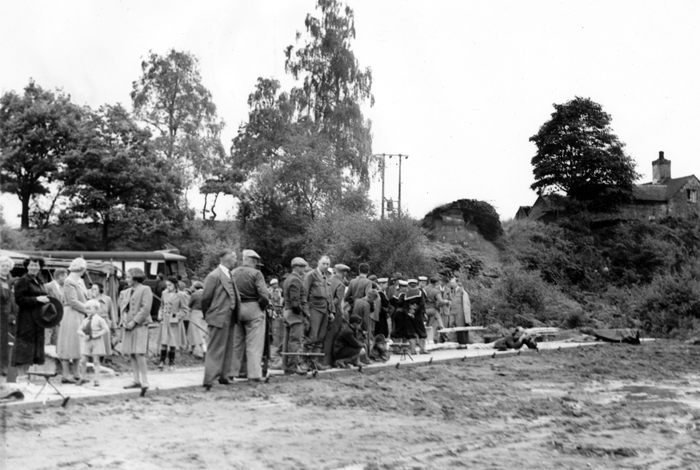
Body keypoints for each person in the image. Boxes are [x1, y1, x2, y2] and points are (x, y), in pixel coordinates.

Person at [201, 250, 241, 389]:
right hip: (218, 316)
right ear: (227, 259)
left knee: (228, 347)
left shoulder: (229, 274)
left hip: (230, 316)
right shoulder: (214, 276)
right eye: (234, 258)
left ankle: (224, 376)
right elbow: (205, 298)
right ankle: (209, 379)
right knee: (215, 349)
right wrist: (209, 314)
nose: (236, 260)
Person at [231, 250, 270, 382]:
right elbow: (264, 295)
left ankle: (234, 371)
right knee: (254, 344)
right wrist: (262, 307)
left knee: (237, 343)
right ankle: (253, 374)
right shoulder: (256, 273)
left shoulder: (233, 273)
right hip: (253, 307)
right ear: (253, 260)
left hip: (237, 308)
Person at [13, 257, 51, 379]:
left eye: (36, 265)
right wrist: (36, 299)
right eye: (32, 265)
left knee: (33, 350)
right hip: (26, 320)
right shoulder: (23, 281)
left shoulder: (39, 281)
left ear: (40, 267)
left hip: (38, 320)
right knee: (24, 349)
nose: (34, 267)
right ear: (27, 266)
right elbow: (19, 300)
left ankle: (25, 379)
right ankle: (21, 378)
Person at [120, 267, 153, 394]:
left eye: (128, 277)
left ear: (135, 277)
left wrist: (134, 321)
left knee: (139, 353)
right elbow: (123, 308)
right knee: (131, 353)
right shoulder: (126, 291)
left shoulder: (145, 289)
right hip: (128, 325)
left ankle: (144, 381)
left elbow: (145, 308)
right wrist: (124, 321)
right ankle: (136, 380)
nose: (126, 279)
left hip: (139, 325)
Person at [56, 258, 90, 383]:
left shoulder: (79, 281)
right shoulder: (69, 281)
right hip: (71, 314)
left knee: (77, 343)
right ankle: (65, 375)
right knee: (68, 342)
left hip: (79, 314)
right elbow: (72, 301)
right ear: (81, 269)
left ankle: (77, 374)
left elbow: (83, 298)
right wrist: (88, 309)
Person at [303, 255, 334, 369]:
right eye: (323, 263)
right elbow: (304, 294)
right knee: (312, 337)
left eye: (328, 264)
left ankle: (315, 362)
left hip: (325, 310)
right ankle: (305, 362)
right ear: (318, 263)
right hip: (314, 309)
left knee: (320, 337)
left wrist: (331, 311)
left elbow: (328, 296)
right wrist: (306, 312)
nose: (325, 266)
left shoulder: (326, 277)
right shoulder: (311, 275)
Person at [282, 257, 309, 375]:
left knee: (288, 341)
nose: (304, 269)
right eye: (302, 267)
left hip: (288, 312)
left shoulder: (288, 278)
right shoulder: (296, 280)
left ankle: (287, 367)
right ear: (297, 267)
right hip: (294, 314)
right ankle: (293, 367)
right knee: (295, 341)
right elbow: (295, 301)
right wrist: (303, 313)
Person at [156, 276, 188, 371]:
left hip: (174, 321)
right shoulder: (164, 293)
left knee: (172, 342)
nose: (168, 287)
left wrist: (177, 317)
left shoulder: (181, 295)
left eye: (170, 285)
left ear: (175, 285)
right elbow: (161, 305)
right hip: (165, 320)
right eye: (167, 285)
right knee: (164, 341)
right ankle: (161, 361)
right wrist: (160, 314)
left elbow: (185, 309)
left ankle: (171, 362)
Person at [76, 299, 110, 386]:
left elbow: (106, 329)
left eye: (89, 308)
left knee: (96, 361)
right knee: (83, 360)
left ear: (96, 309)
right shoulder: (85, 320)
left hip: (96, 341)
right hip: (87, 341)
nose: (87, 311)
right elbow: (79, 330)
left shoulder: (100, 319)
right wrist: (83, 335)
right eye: (86, 309)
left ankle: (96, 379)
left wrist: (97, 334)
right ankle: (83, 377)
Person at [322, 263, 350, 366]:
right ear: (344, 273)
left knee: (326, 335)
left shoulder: (329, 280)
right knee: (333, 336)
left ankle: (323, 360)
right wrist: (331, 308)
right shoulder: (341, 284)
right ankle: (328, 361)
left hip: (325, 310)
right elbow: (337, 301)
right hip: (335, 312)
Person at [0, 255, 18, 379]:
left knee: (8, 344)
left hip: (10, 316)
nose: (5, 268)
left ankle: (5, 368)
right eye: (2, 265)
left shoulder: (11, 281)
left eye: (7, 266)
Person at [90, 283, 117, 361]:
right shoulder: (90, 299)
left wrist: (114, 325)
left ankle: (105, 359)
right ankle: (95, 360)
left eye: (95, 289)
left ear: (100, 290)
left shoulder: (107, 299)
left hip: (105, 322)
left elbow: (112, 312)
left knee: (105, 342)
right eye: (92, 289)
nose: (93, 290)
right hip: (94, 323)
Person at [43, 268, 67, 345]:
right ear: (61, 277)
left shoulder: (65, 288)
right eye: (66, 277)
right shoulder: (47, 287)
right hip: (48, 320)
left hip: (59, 320)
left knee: (57, 343)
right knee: (46, 343)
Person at [406, 279, 429, 354]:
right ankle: (422, 349)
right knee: (422, 332)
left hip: (409, 316)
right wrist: (416, 311)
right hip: (418, 315)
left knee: (411, 333)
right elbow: (422, 304)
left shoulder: (407, 293)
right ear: (416, 284)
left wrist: (409, 312)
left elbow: (404, 305)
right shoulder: (420, 292)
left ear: (409, 285)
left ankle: (413, 351)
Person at [186, 281, 207, 358]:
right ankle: (205, 349)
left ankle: (193, 349)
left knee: (193, 331)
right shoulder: (206, 293)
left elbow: (190, 304)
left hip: (195, 313)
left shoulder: (194, 295)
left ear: (195, 287)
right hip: (205, 313)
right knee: (203, 331)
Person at [449, 277, 472, 345]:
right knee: (455, 328)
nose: (451, 284)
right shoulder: (451, 291)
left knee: (461, 328)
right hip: (453, 312)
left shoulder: (462, 292)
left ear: (457, 283)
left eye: (453, 283)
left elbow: (466, 304)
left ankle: (463, 343)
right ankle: (460, 343)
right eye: (451, 283)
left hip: (461, 313)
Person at [424, 277, 447, 342]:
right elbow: (441, 301)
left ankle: (425, 340)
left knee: (426, 325)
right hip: (433, 310)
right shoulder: (435, 291)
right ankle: (439, 339)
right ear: (436, 283)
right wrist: (439, 305)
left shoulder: (423, 289)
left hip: (424, 310)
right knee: (437, 325)